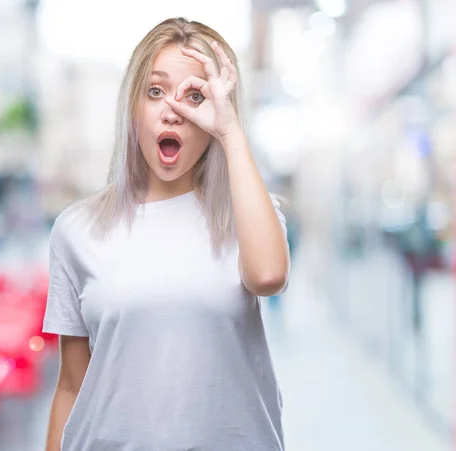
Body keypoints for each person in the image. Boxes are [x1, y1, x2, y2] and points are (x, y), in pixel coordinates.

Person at [43, 17, 290, 451]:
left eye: (196, 96)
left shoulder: (247, 215)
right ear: (133, 107)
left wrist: (231, 132)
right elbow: (71, 384)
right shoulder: (77, 229)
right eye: (155, 91)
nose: (173, 109)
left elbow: (268, 275)